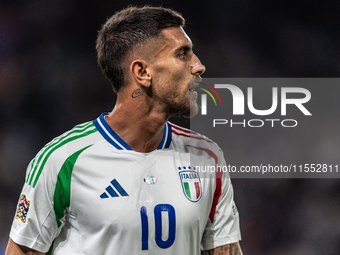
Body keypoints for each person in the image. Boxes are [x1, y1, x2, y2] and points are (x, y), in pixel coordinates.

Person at [5, 6, 242, 255]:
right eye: (182, 54)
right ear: (142, 72)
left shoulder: (207, 157)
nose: (198, 66)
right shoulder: (63, 160)